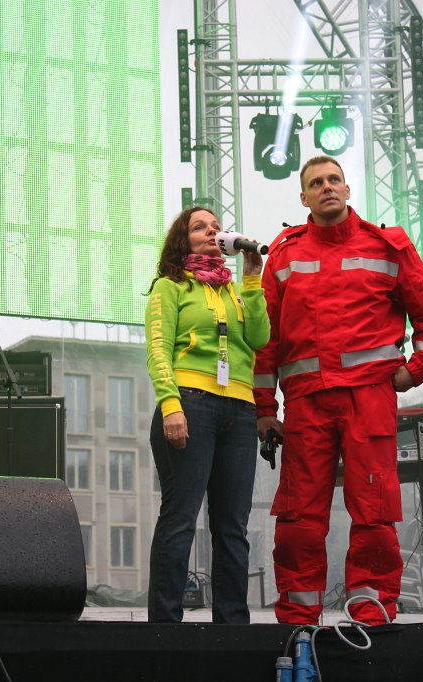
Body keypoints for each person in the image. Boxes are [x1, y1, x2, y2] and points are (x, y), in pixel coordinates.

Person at [254, 156, 423, 625]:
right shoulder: (283, 255)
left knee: (373, 511)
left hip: (369, 400)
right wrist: (264, 408)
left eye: (333, 180)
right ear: (303, 198)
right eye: (315, 183)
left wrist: (414, 371)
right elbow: (265, 341)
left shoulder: (387, 247)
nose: (326, 188)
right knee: (299, 516)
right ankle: (298, 616)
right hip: (306, 403)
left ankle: (372, 605)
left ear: (347, 188)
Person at [144, 206, 270, 624]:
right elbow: (158, 349)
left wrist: (253, 280)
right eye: (201, 227)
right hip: (190, 403)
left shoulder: (235, 289)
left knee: (232, 525)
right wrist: (171, 406)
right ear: (184, 239)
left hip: (239, 409)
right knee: (180, 519)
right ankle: (165, 625)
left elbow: (260, 337)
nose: (212, 232)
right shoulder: (170, 286)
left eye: (217, 227)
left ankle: (233, 626)